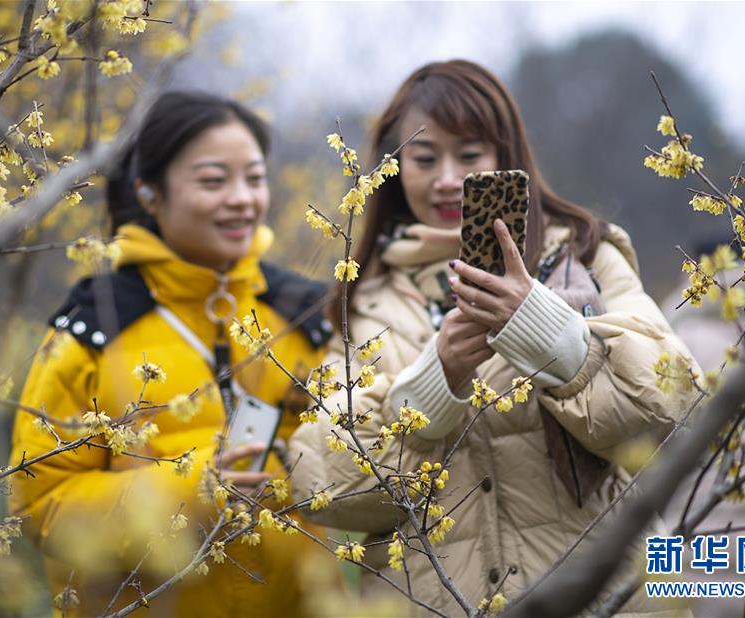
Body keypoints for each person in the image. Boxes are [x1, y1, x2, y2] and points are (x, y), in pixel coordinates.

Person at [290, 60, 699, 615]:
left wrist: (543, 326)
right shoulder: (360, 300)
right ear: (394, 166)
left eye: (470, 155)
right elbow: (323, 485)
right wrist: (439, 378)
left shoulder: (584, 254)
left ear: (506, 156)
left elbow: (670, 408)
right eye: (424, 158)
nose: (446, 178)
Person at [8, 91, 331, 617]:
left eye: (254, 178)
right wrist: (194, 487)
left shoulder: (301, 315)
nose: (242, 199)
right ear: (150, 192)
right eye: (212, 181)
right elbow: (40, 507)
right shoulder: (95, 329)